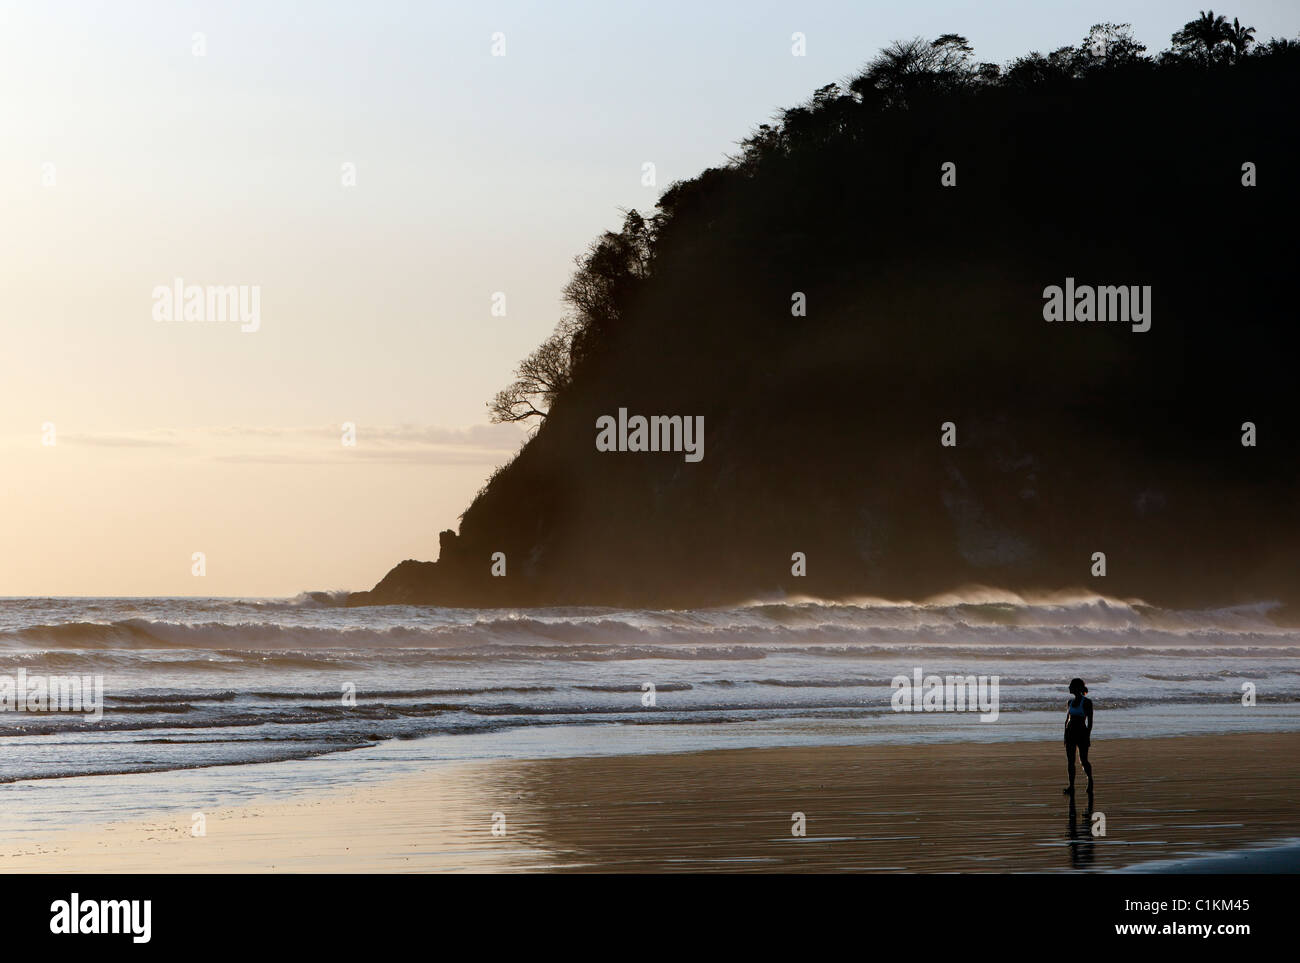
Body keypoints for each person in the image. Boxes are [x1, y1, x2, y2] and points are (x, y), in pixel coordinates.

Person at [1062, 678, 1093, 795]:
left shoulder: (1087, 702)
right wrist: (1065, 736)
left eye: (1071, 686)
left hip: (1081, 733)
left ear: (1076, 688)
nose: (1069, 687)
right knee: (1070, 761)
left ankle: (1090, 781)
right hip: (1070, 734)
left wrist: (1088, 736)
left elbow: (1090, 722)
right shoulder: (1069, 702)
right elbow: (1066, 720)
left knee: (1083, 760)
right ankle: (1071, 786)